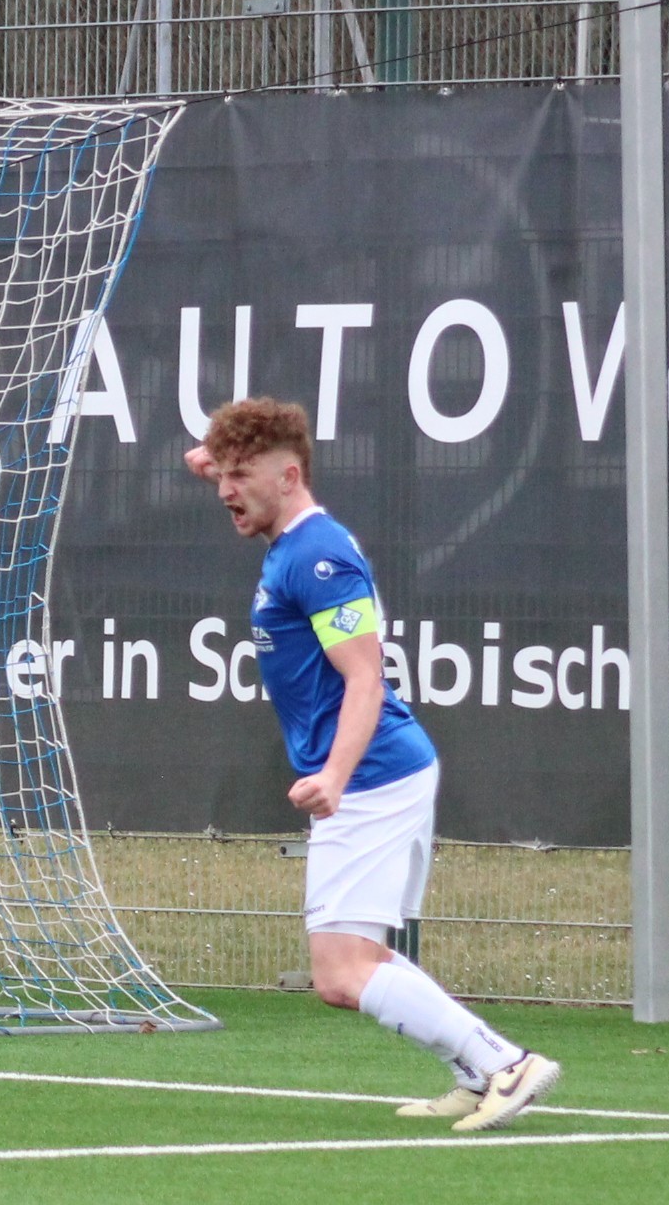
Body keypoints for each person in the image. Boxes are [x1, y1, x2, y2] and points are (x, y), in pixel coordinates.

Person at [187, 398, 558, 1129]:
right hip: (377, 774)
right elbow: (227, 470)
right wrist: (216, 461)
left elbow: (365, 678)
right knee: (356, 959)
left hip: (370, 777)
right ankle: (475, 1071)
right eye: (221, 475)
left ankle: (504, 1063)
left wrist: (333, 775)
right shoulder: (290, 534)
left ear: (289, 477)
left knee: (340, 973)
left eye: (239, 476)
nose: (225, 490)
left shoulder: (317, 559)